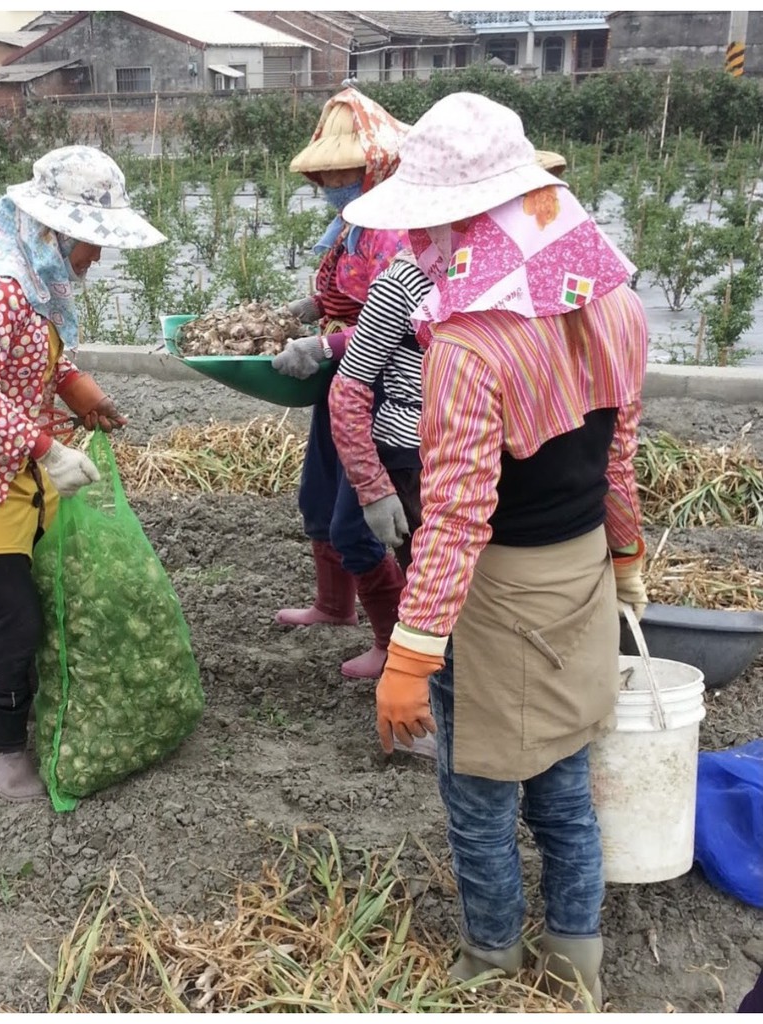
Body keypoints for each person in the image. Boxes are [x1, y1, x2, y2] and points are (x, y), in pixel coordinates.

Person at [342, 93, 650, 1008]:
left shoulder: (471, 346)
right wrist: (626, 561)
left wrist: (408, 653)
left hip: (499, 596)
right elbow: (619, 461)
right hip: (583, 573)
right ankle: (575, 952)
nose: (427, 242)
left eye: (436, 222)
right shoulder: (614, 303)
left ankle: (491, 957)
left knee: (479, 792)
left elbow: (458, 517)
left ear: (467, 220)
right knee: (564, 777)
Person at [0, 146, 166, 803]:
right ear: (56, 230)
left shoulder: (33, 271)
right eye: (91, 244)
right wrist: (47, 447)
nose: (96, 259)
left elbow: (34, 355)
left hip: (12, 462)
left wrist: (74, 385)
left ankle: (30, 706)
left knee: (38, 599)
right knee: (15, 614)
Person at [324, 147, 564, 704]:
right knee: (432, 580)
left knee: (474, 582)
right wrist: (372, 484)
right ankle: (427, 695)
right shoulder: (403, 281)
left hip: (488, 452)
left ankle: (460, 691)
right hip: (413, 455)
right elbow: (351, 387)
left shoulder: (509, 274)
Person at [271, 86, 412, 680]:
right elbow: (343, 292)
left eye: (342, 172)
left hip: (381, 389)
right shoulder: (355, 223)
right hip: (341, 380)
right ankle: (335, 606)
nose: (331, 185)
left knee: (359, 521)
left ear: (376, 163)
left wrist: (324, 343)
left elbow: (395, 325)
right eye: (324, 175)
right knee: (318, 497)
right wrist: (307, 310)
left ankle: (394, 641)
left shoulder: (397, 231)